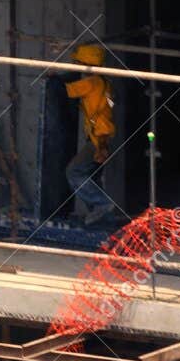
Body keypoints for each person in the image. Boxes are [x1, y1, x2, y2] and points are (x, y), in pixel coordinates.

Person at [64, 42, 117, 226]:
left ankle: (102, 205)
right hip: (103, 136)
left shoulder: (91, 82)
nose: (77, 66)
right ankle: (102, 218)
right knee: (91, 177)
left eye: (79, 63)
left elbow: (69, 90)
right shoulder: (104, 82)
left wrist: (52, 75)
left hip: (99, 138)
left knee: (74, 172)